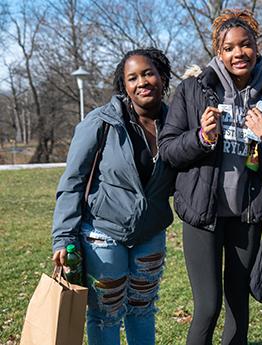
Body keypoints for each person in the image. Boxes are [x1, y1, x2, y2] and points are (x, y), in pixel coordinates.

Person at [158, 9, 262, 345]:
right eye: (229, 48)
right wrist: (201, 138)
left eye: (245, 45)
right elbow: (169, 149)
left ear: (256, 48)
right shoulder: (193, 89)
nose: (238, 53)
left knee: (238, 303)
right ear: (219, 52)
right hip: (203, 214)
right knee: (208, 305)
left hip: (246, 216)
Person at [51, 48, 176, 345]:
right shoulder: (102, 121)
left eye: (148, 73)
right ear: (124, 87)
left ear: (162, 77)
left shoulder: (176, 122)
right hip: (103, 233)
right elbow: (73, 181)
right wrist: (63, 236)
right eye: (132, 78)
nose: (141, 82)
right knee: (105, 315)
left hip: (151, 233)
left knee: (142, 311)